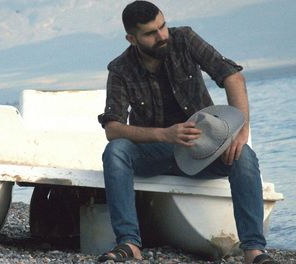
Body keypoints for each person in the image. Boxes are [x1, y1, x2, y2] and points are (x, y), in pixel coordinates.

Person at [97, 1, 278, 263]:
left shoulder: (184, 39)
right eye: (150, 33)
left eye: (163, 26)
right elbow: (113, 129)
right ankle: (129, 243)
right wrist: (164, 135)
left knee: (245, 156)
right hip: (155, 154)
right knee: (116, 151)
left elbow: (232, 76)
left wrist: (241, 130)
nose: (162, 36)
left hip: (204, 150)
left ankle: (253, 250)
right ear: (131, 38)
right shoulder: (120, 68)